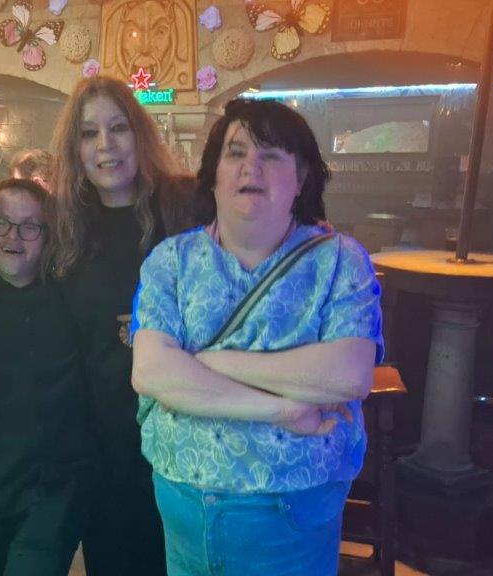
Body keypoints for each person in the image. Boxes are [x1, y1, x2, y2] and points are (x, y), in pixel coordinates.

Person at [131, 98, 384, 576]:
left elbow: (348, 375)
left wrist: (211, 362)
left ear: (301, 177)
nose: (252, 166)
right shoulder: (171, 261)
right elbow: (150, 373)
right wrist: (283, 409)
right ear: (213, 175)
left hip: (292, 508)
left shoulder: (340, 260)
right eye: (236, 152)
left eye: (271, 155)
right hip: (185, 502)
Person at [50, 74, 201, 576]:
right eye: (89, 133)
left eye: (118, 128)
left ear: (140, 134)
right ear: (75, 149)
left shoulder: (186, 204)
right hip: (102, 444)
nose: (105, 145)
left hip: (184, 432)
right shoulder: (65, 223)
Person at [0, 178, 94, 576]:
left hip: (55, 488)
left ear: (47, 236)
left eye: (30, 226)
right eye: (1, 222)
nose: (13, 236)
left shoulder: (72, 296)